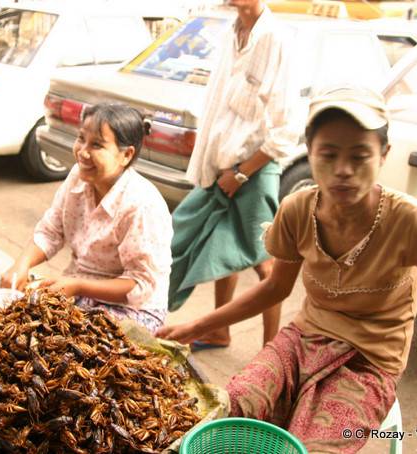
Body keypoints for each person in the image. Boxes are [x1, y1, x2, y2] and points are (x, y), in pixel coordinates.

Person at [157, 86, 417, 453]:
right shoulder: (297, 210)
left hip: (370, 359)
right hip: (303, 338)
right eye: (328, 154)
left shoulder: (411, 222)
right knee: (222, 415)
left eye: (359, 156)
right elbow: (275, 288)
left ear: (383, 155)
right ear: (310, 154)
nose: (343, 170)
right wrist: (194, 326)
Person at [168, 0, 299, 350]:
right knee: (221, 247)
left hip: (253, 170)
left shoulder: (275, 38)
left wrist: (242, 174)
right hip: (224, 167)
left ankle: (272, 350)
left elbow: (286, 127)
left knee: (264, 262)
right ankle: (218, 329)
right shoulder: (230, 33)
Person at [1, 103, 173, 334]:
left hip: (132, 309)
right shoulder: (78, 176)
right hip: (79, 292)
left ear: (126, 155)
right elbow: (51, 231)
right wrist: (20, 265)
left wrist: (77, 286)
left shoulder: (141, 204)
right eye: (81, 139)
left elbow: (140, 285)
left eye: (97, 145)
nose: (82, 152)